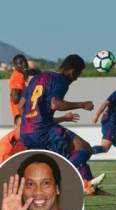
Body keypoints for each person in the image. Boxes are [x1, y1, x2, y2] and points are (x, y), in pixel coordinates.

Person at [19, 54, 106, 195]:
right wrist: (82, 104)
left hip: (26, 132)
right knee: (84, 149)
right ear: (72, 71)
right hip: (42, 129)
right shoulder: (60, 80)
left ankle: (90, 187)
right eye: (78, 74)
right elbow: (55, 104)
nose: (76, 78)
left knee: (69, 155)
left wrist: (29, 120)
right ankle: (62, 180)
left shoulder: (38, 78)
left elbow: (21, 104)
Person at [0, 153, 77, 210]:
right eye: (30, 184)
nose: (38, 192)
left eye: (46, 183)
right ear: (21, 191)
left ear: (57, 188)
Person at [9, 54, 29, 119]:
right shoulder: (18, 76)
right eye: (20, 63)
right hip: (21, 116)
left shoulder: (20, 75)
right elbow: (16, 99)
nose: (24, 64)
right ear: (15, 66)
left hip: (21, 115)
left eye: (25, 61)